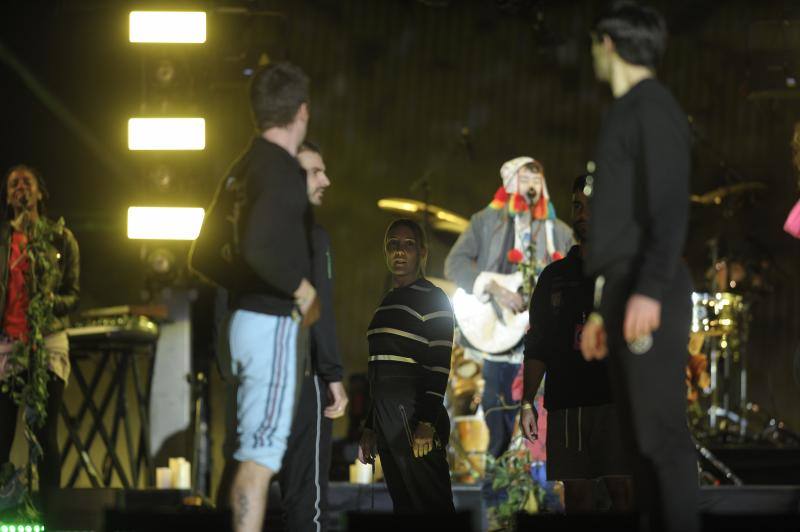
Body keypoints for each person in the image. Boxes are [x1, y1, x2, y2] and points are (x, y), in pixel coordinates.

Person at [579, 3, 698, 531]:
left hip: (653, 286)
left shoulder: (654, 107)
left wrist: (648, 289)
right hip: (624, 288)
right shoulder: (623, 112)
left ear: (607, 43)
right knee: (636, 446)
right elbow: (617, 226)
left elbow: (671, 206)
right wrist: (604, 310)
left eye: (592, 46)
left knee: (662, 439)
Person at [224, 62, 319, 532]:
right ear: (302, 111)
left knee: (252, 452)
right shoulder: (282, 168)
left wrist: (244, 286)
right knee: (261, 458)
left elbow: (204, 252)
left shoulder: (242, 166)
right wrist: (303, 291)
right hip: (269, 324)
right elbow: (258, 246)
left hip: (243, 320)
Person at [444, 157, 573, 459]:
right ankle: (498, 488)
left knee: (538, 416)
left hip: (540, 340)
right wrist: (494, 288)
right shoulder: (485, 222)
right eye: (525, 178)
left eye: (536, 179)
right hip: (497, 335)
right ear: (511, 183)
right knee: (497, 411)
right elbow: (454, 263)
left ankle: (537, 489)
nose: (532, 185)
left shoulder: (560, 233)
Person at [520, 175, 633, 513]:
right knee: (577, 500)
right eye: (577, 207)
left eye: (592, 206)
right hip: (567, 403)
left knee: (624, 493)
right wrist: (527, 401)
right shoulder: (554, 277)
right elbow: (538, 343)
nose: (582, 214)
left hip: (616, 402)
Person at [358, 219, 455, 513]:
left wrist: (426, 421)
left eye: (408, 245)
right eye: (393, 245)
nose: (400, 251)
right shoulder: (386, 302)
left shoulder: (434, 299)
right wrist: (370, 425)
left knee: (433, 507)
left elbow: (439, 365)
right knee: (405, 507)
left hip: (413, 419)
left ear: (423, 253)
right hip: (386, 421)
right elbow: (377, 368)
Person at [0, 164, 80, 513]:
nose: (20, 188)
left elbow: (73, 294)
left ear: (39, 193)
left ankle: (51, 511)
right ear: (7, 196)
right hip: (8, 344)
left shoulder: (62, 238)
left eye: (26, 182)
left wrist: (50, 302)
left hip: (47, 342)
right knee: (2, 432)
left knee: (45, 435)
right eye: (13, 184)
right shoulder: (3, 239)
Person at [279, 141, 348, 532]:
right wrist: (333, 374)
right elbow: (321, 313)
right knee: (308, 499)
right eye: (315, 171)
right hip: (305, 378)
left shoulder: (252, 233)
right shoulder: (313, 237)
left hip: (259, 378)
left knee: (257, 486)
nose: (327, 179)